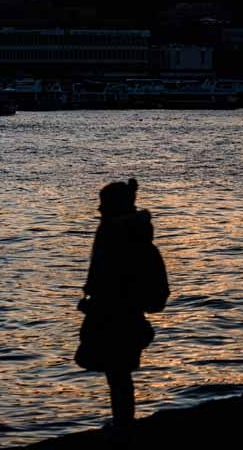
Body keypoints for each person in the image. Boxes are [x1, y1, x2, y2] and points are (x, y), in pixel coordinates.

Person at [74, 178, 169, 430]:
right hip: (125, 313)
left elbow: (111, 280)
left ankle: (123, 425)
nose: (99, 210)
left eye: (103, 204)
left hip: (116, 314)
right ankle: (123, 422)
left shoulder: (117, 236)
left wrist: (96, 301)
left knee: (117, 372)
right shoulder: (129, 235)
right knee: (118, 372)